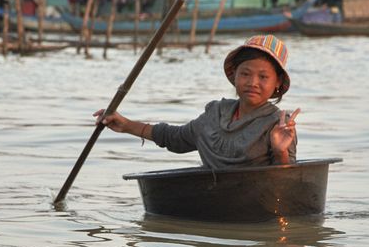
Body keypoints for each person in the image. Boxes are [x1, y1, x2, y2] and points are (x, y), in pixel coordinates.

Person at [95, 35, 299, 168]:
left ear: (277, 83)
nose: (253, 83)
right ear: (234, 75)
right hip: (211, 201)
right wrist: (126, 125)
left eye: (263, 77)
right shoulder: (215, 113)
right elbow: (176, 138)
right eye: (245, 74)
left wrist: (280, 151)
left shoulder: (279, 124)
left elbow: (287, 185)